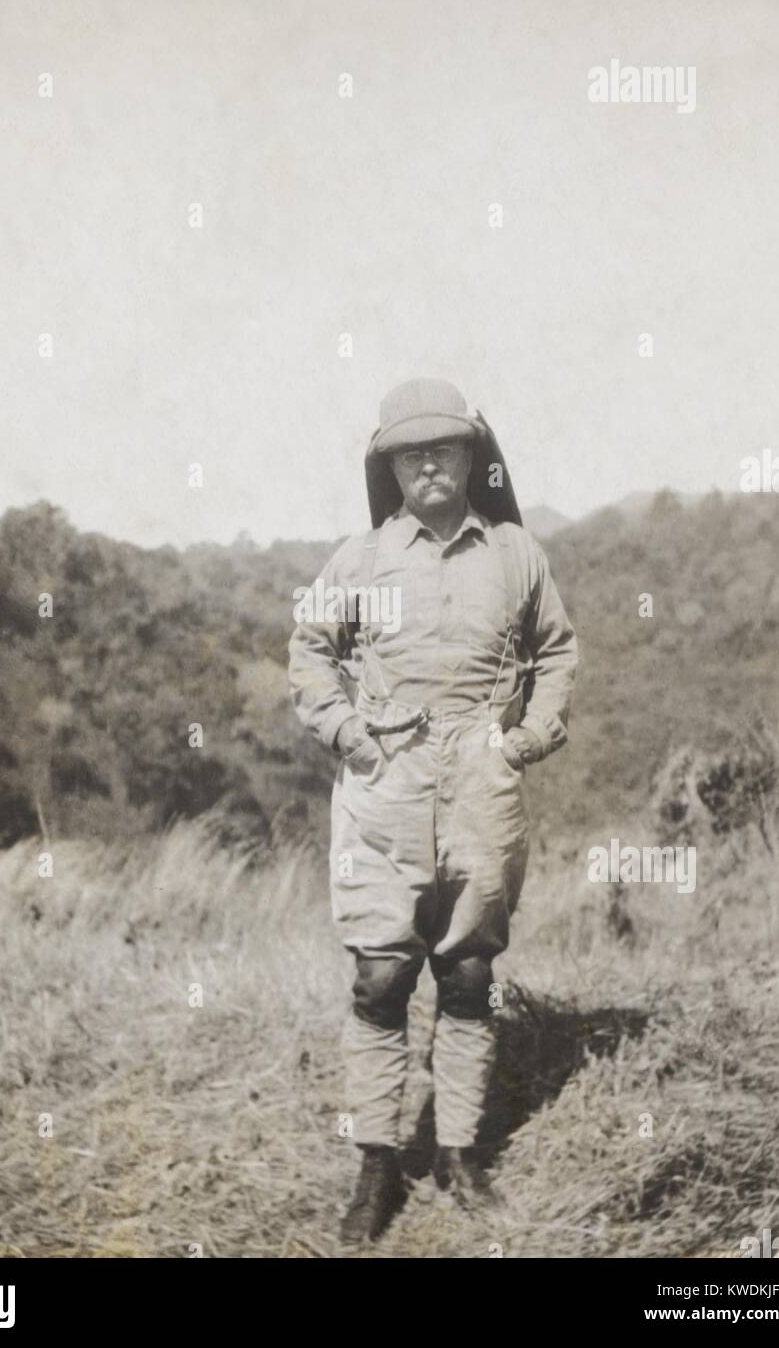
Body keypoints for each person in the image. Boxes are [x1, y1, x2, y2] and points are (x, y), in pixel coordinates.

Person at [288, 378, 579, 1243]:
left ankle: (457, 1154)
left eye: (443, 447)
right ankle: (377, 1163)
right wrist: (352, 735)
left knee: (466, 976)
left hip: (481, 785)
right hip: (385, 782)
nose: (427, 463)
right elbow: (309, 650)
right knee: (380, 977)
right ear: (390, 467)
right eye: (409, 453)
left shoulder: (516, 555)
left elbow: (556, 653)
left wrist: (523, 741)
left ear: (468, 458)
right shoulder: (360, 559)